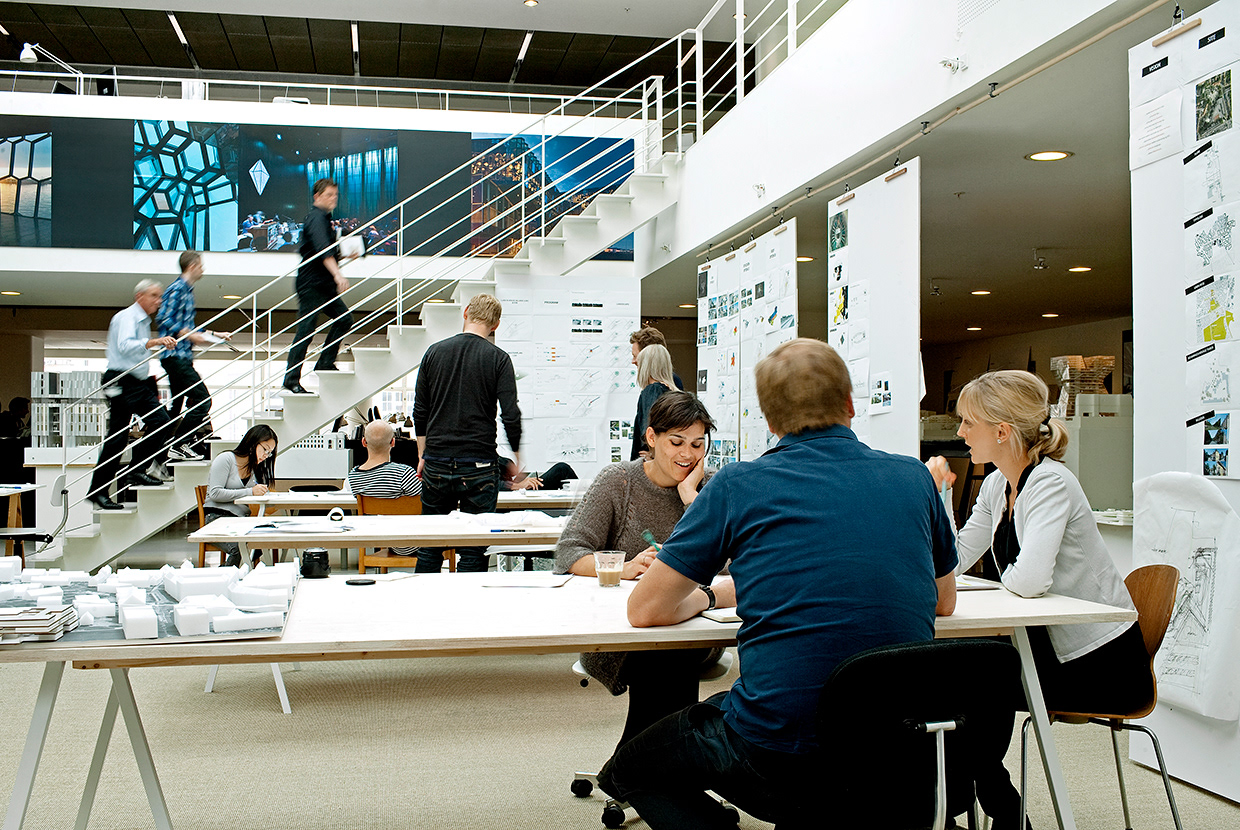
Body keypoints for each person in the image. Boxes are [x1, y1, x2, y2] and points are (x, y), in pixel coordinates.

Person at [598, 338, 957, 829]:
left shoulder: (739, 485)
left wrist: (708, 596)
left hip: (780, 754)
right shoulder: (914, 478)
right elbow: (943, 601)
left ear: (768, 421)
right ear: (850, 404)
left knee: (632, 771)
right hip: (900, 748)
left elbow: (644, 610)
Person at [555, 391, 716, 749]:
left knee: (672, 655)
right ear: (651, 437)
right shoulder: (620, 481)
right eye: (677, 442)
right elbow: (569, 552)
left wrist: (693, 501)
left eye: (697, 444)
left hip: (697, 628)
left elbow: (736, 562)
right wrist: (623, 568)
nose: (688, 455)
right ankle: (651, 767)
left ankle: (633, 768)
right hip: (626, 631)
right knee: (665, 659)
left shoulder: (711, 488)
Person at [413, 293, 521, 573]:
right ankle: (469, 600)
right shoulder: (498, 359)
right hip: (480, 464)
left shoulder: (434, 352)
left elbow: (420, 410)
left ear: (465, 313)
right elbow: (510, 414)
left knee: (430, 545)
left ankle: (421, 599)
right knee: (474, 549)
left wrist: (423, 454)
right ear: (495, 325)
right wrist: (517, 457)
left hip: (437, 460)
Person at [87, 280, 179, 511]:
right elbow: (125, 345)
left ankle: (134, 471)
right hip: (121, 379)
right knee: (120, 436)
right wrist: (156, 341)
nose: (159, 301)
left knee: (159, 422)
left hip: (135, 382)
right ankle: (103, 488)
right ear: (140, 296)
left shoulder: (143, 320)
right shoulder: (127, 317)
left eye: (160, 296)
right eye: (154, 296)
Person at [283, 178, 356, 395]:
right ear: (317, 196)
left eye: (335, 195)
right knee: (306, 330)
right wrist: (338, 274)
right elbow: (323, 250)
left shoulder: (324, 220)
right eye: (329, 195)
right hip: (312, 284)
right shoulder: (316, 218)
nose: (334, 198)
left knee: (344, 319)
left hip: (323, 284)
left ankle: (325, 362)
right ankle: (291, 380)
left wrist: (345, 255)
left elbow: (325, 251)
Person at [157, 251, 230, 462]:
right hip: (175, 357)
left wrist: (215, 334)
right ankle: (179, 445)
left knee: (177, 408)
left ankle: (160, 455)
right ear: (192, 266)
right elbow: (163, 317)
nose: (203, 269)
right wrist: (188, 335)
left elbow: (189, 326)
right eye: (200, 265)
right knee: (202, 400)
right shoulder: (178, 289)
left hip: (181, 357)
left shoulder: (188, 291)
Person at [343, 420, 422, 558]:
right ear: (393, 442)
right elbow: (425, 501)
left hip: (384, 540)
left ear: (363, 442)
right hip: (414, 541)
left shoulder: (353, 478)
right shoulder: (404, 473)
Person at [203, 425, 278, 568]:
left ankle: (231, 573)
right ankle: (226, 576)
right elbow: (215, 493)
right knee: (239, 548)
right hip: (217, 518)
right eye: (265, 449)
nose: (265, 455)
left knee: (259, 543)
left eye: (269, 453)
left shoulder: (253, 468)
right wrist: (250, 491)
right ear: (253, 442)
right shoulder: (226, 459)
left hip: (240, 520)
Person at [631, 344, 677, 460]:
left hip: (650, 461)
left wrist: (653, 454)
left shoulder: (652, 391)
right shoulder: (674, 393)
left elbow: (649, 427)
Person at [500, 460, 576, 491]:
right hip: (510, 490)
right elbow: (493, 483)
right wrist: (517, 485)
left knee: (562, 469)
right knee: (561, 469)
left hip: (513, 486)